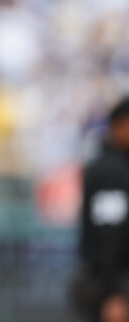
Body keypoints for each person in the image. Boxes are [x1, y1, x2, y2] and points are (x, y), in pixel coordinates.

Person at [71, 97, 129, 322]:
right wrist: (113, 294)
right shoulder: (110, 171)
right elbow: (107, 236)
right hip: (114, 287)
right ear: (119, 125)